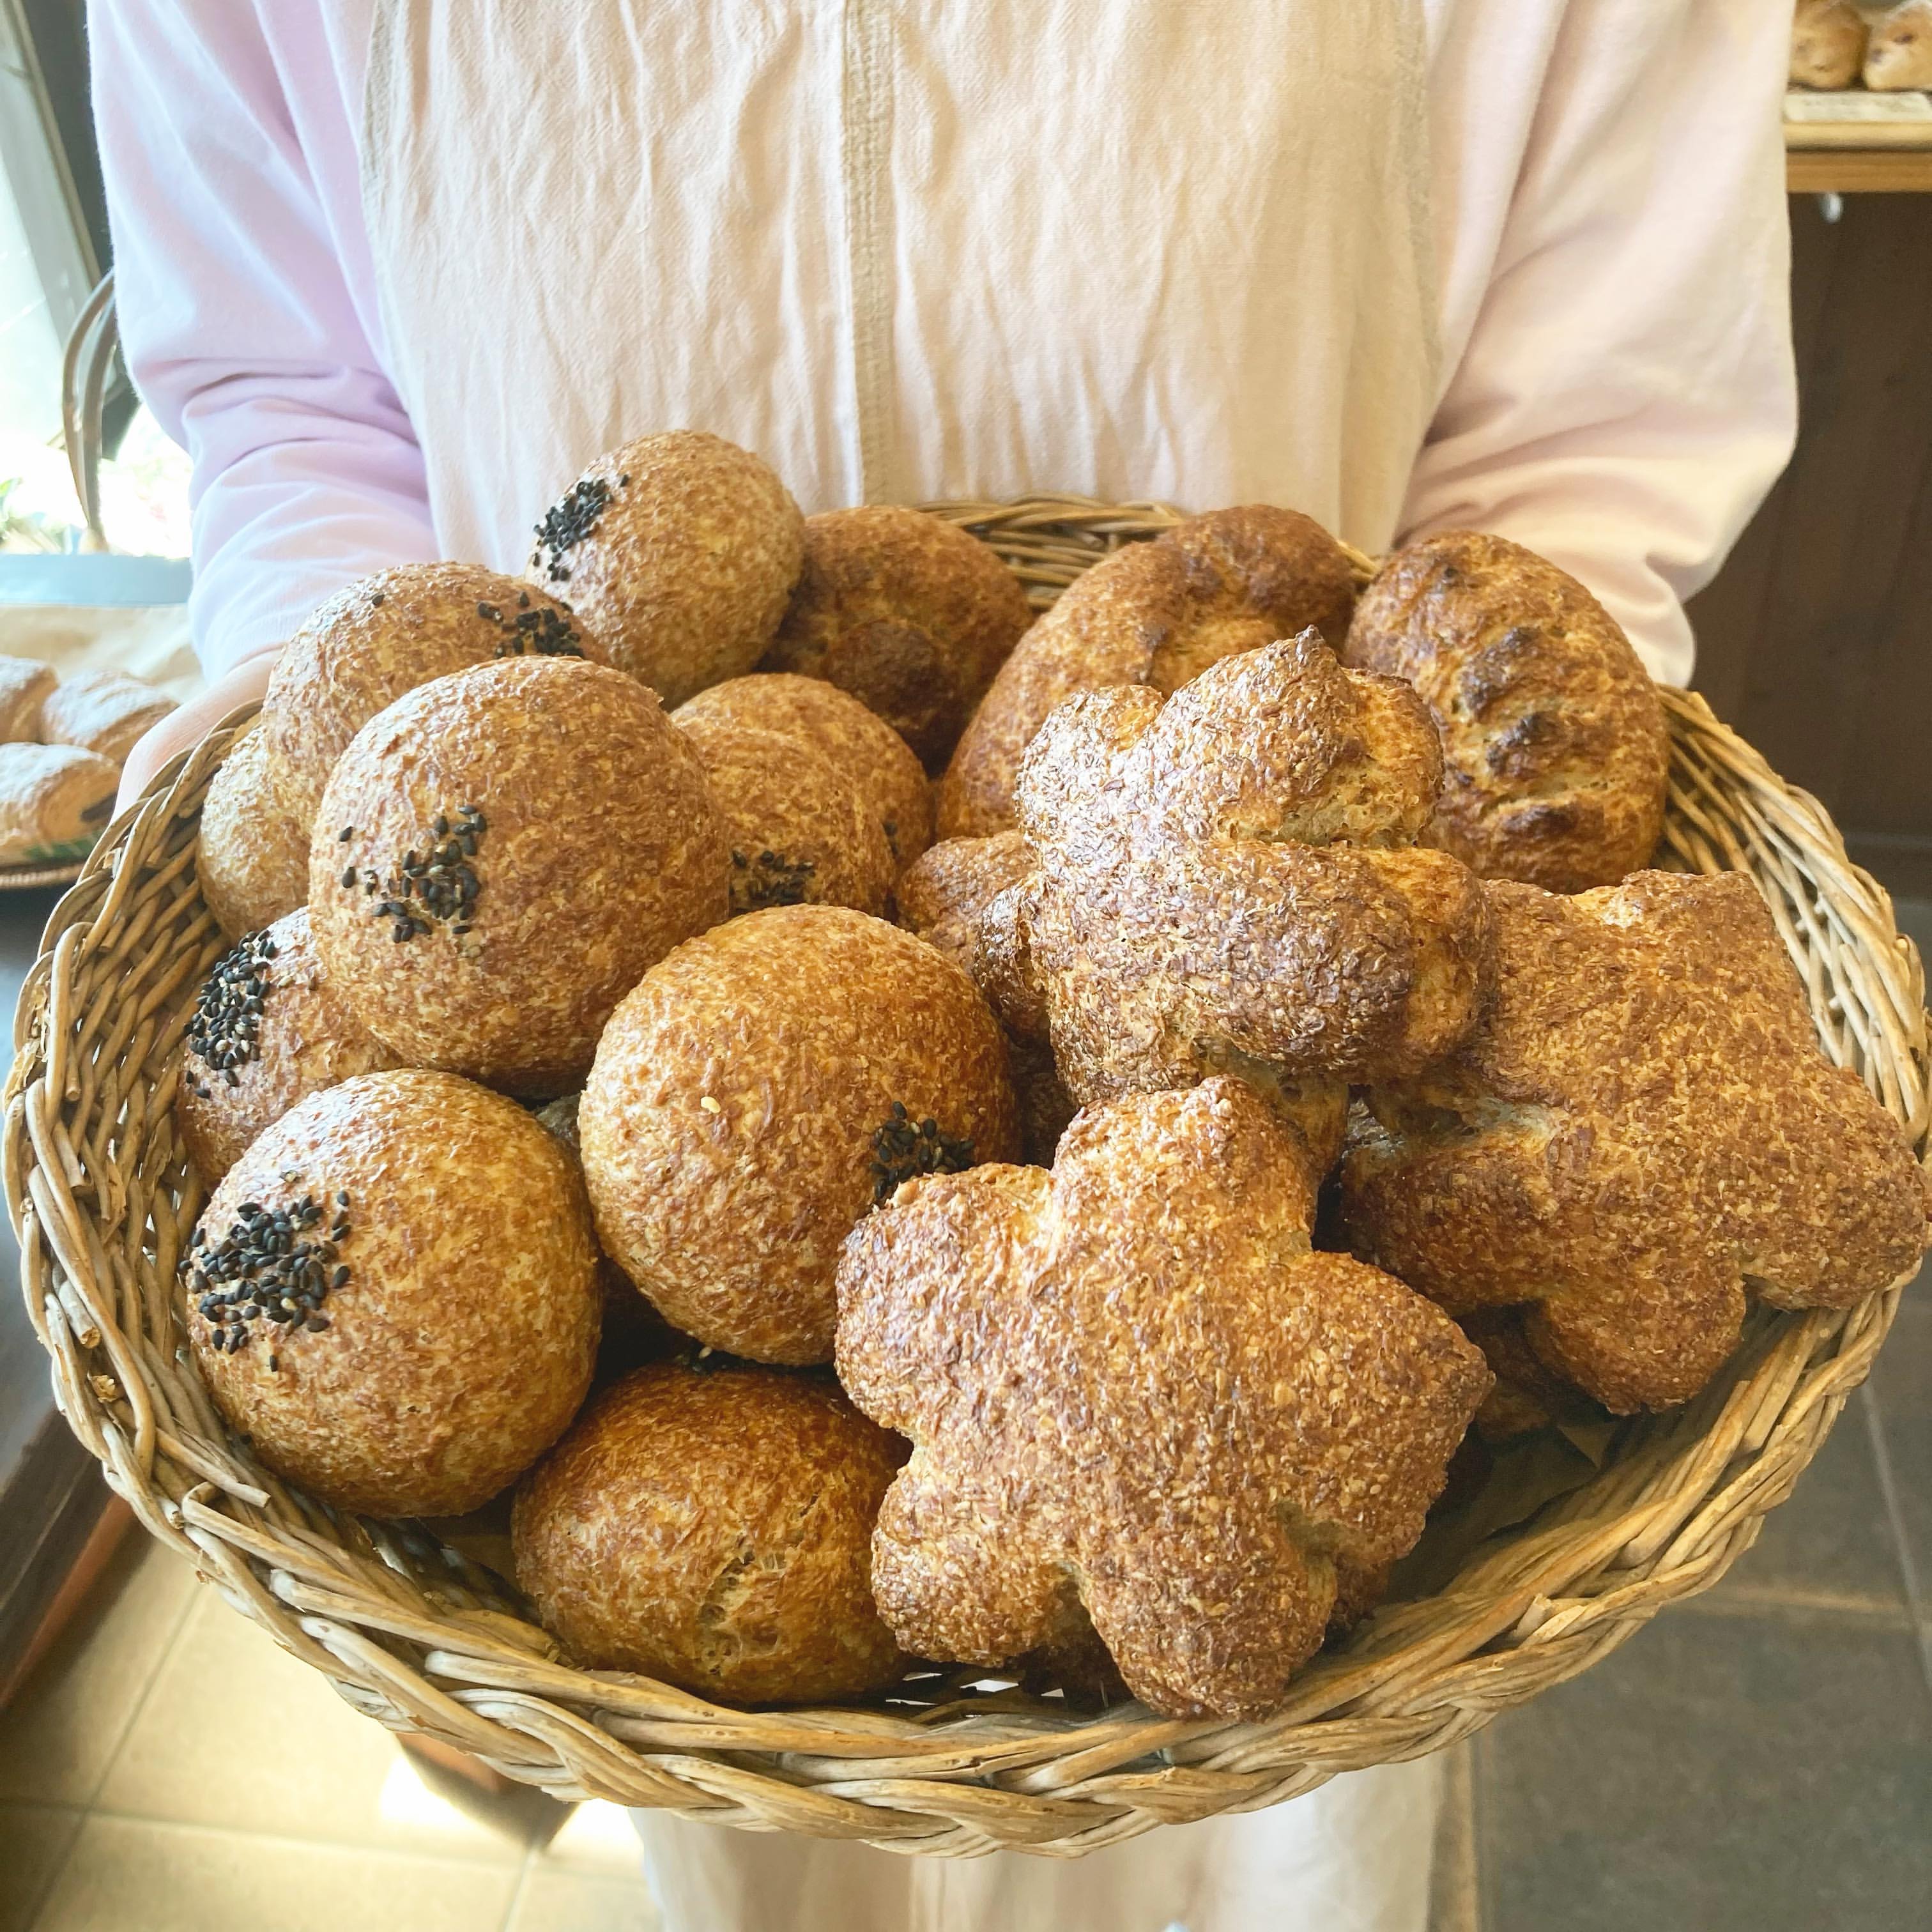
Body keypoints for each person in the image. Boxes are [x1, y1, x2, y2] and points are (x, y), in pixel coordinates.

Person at [89, 3, 1796, 1926]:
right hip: (551, 807)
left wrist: (1503, 844)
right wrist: (321, 721)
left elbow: (1600, 427)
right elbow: (284, 394)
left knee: (1273, 1841)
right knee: (751, 1856)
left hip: (1309, 972)